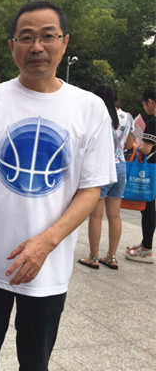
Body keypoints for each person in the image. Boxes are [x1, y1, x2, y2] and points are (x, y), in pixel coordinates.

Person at [0, 0, 116, 370]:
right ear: (12, 46)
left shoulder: (89, 108)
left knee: (35, 362)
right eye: (26, 37)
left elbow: (91, 189)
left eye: (47, 36)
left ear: (64, 42)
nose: (36, 47)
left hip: (48, 267)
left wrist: (45, 243)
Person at [78, 84, 133, 270]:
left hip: (102, 168)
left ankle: (93, 256)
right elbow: (130, 144)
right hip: (121, 167)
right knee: (115, 216)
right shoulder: (127, 117)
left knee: (96, 215)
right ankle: (111, 256)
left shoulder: (98, 115)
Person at [127, 86, 156, 263]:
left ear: (150, 102)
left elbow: (146, 149)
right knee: (150, 208)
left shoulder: (153, 122)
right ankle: (145, 243)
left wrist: (136, 144)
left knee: (147, 208)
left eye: (145, 104)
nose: (145, 108)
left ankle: (147, 249)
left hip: (151, 170)